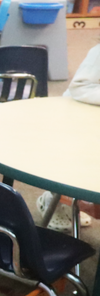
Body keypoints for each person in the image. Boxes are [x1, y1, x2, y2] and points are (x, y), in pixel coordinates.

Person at [36, 40, 100, 231]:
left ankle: (69, 202)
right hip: (77, 121)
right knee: (76, 173)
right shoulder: (98, 53)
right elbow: (78, 87)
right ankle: (54, 200)